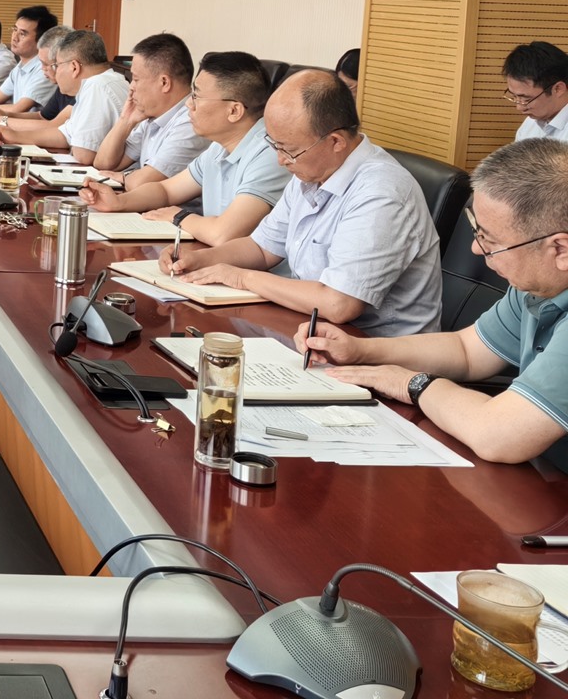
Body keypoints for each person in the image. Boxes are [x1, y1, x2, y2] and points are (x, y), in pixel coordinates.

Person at [298, 138, 568, 467]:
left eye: (492, 240)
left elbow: (497, 435)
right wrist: (359, 350)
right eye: (477, 231)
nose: (476, 249)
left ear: (560, 249)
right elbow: (466, 350)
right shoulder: (538, 284)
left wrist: (411, 382)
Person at [166, 70, 441, 337]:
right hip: (310, 330)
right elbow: (262, 248)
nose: (280, 160)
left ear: (335, 142)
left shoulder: (381, 193)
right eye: (275, 145)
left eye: (290, 150)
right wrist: (199, 260)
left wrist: (241, 277)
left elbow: (339, 303)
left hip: (375, 350)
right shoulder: (311, 172)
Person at [79, 51, 289, 245]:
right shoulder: (219, 147)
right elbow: (166, 190)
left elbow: (224, 233)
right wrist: (119, 202)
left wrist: (178, 216)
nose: (189, 104)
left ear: (234, 111)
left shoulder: (271, 153)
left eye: (196, 96)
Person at [0, 29, 127, 163]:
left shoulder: (96, 86)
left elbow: (84, 155)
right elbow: (63, 134)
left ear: (74, 67)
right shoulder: (112, 80)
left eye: (57, 65)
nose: (55, 71)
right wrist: (13, 135)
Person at [92, 33, 209, 189]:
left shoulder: (190, 122)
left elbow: (142, 183)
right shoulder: (152, 116)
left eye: (136, 79)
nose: (131, 86)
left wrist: (125, 177)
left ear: (164, 82)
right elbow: (103, 164)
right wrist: (126, 120)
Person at [503, 41, 568, 143]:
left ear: (558, 89)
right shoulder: (530, 124)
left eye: (527, 99)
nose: (519, 108)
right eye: (514, 96)